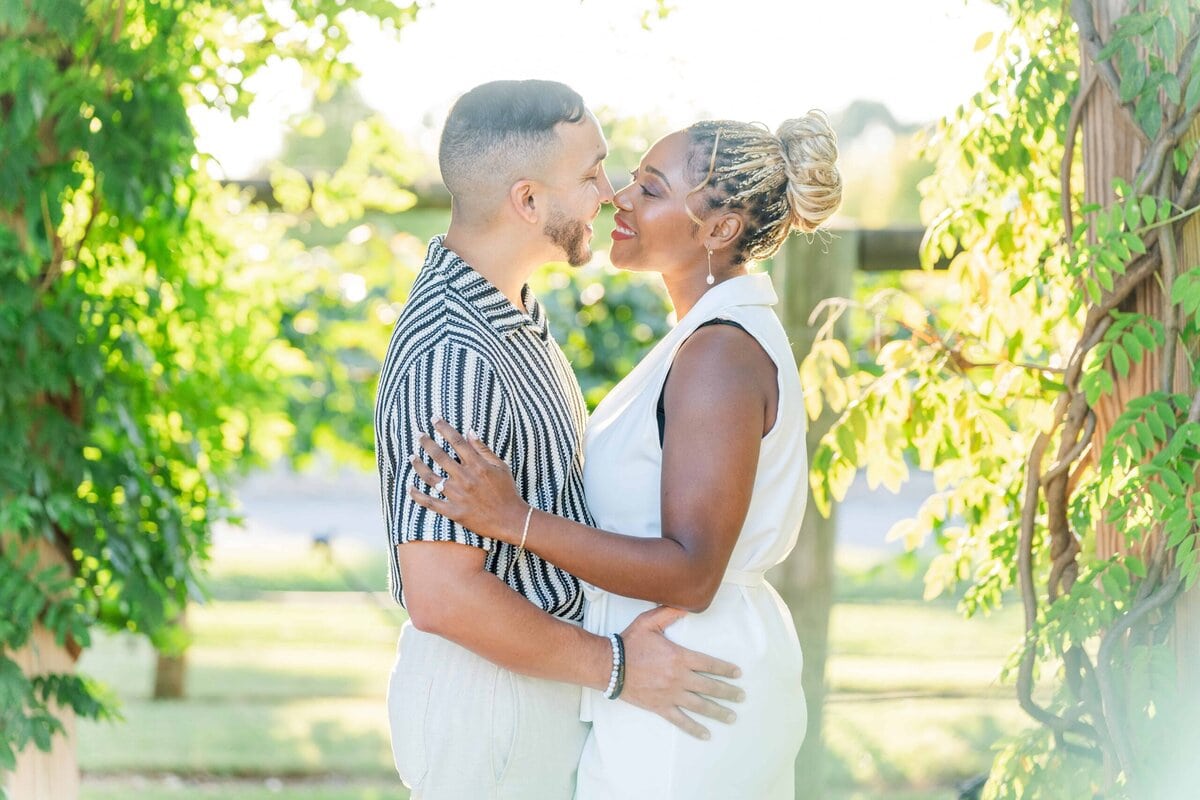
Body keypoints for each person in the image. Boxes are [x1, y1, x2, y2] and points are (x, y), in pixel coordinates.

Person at [407, 112, 843, 798]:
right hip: (676, 676)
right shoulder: (702, 336)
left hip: (689, 688)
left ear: (720, 228)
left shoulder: (719, 355)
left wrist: (515, 520)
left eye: (652, 187)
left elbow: (693, 572)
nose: (621, 198)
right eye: (633, 179)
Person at [374, 79, 744, 800]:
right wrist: (616, 666)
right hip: (490, 697)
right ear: (529, 201)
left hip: (532, 682)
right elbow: (443, 595)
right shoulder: (454, 351)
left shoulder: (509, 309)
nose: (610, 194)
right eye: (590, 174)